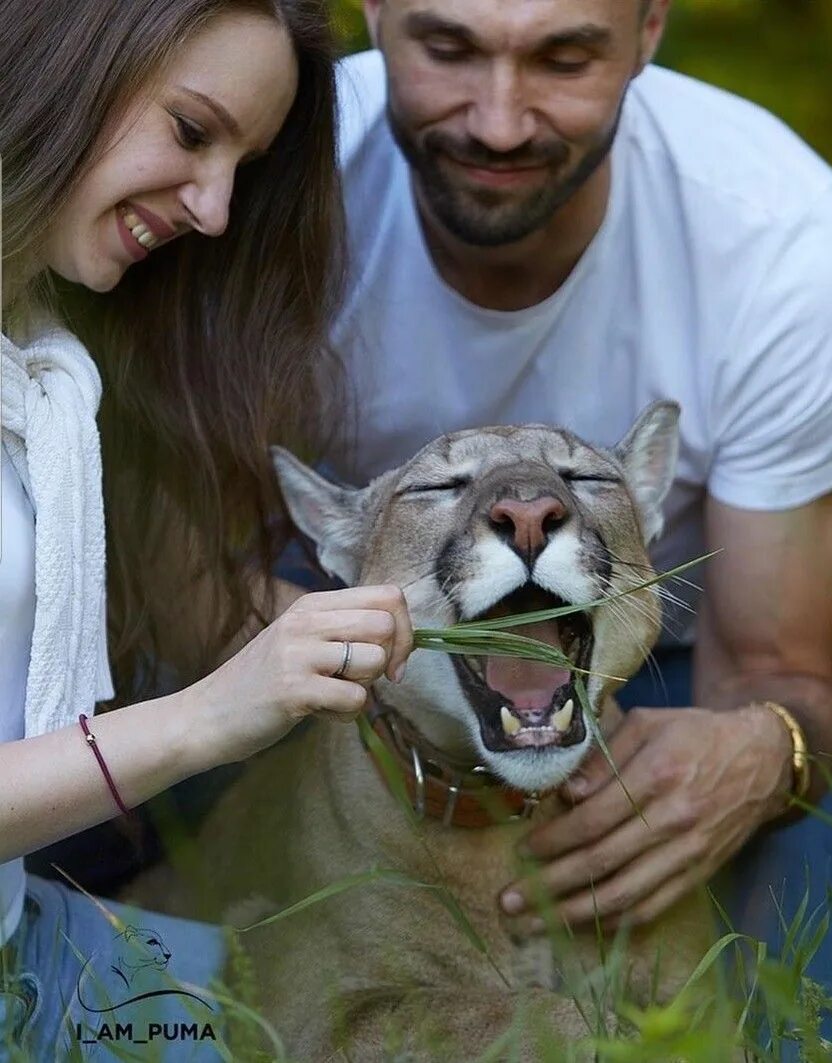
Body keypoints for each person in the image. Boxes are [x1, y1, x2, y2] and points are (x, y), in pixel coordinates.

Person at [322, 0, 832, 1050]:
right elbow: (183, 558)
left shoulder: (785, 241)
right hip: (337, 615)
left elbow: (781, 668)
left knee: (809, 1032)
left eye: (564, 56)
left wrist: (760, 752)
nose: (498, 123)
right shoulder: (271, 174)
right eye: (447, 47)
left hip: (670, 639)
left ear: (648, 29)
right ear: (372, 17)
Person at [0, 1, 413, 1058]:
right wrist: (201, 720)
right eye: (191, 131)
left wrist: (459, 656)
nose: (217, 209)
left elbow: (215, 609)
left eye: (244, 161)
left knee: (373, 1014)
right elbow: (230, 677)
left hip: (18, 937)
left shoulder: (51, 374)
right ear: (58, 63)